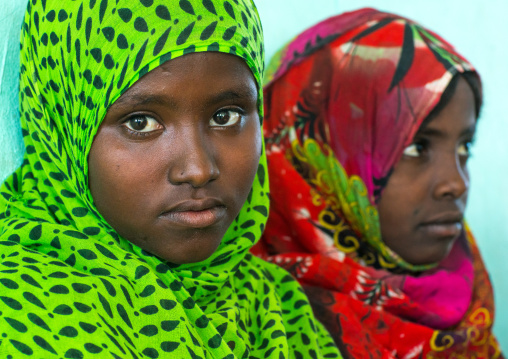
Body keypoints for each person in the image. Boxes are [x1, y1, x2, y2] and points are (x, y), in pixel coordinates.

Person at [0, 0, 342, 358]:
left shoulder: (273, 303)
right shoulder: (27, 308)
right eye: (141, 123)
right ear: (63, 131)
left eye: (226, 116)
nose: (198, 169)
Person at [252, 8, 503, 358]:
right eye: (417, 147)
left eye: (465, 147)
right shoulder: (262, 323)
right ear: (318, 155)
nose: (456, 184)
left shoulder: (465, 292)